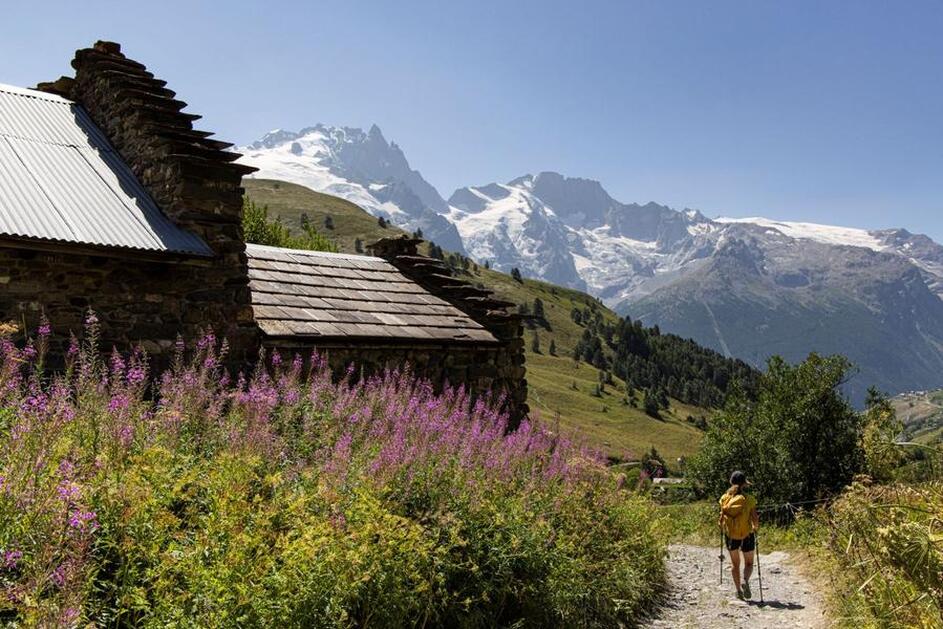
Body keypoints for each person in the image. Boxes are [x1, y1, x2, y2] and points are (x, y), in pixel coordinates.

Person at [718, 470, 759, 599]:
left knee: (735, 564)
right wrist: (755, 528)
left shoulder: (724, 498)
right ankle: (745, 580)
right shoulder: (749, 499)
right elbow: (755, 518)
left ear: (731, 482)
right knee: (749, 563)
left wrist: (722, 528)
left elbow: (722, 517)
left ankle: (738, 591)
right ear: (744, 484)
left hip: (731, 535)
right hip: (747, 534)